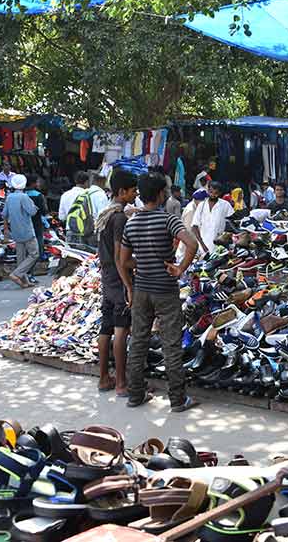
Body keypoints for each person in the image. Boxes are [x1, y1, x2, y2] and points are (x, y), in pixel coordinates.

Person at [118, 173, 199, 410]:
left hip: (142, 289)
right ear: (161, 194)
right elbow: (192, 244)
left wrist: (143, 262)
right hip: (165, 289)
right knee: (171, 343)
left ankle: (135, 395)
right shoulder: (167, 220)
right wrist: (179, 268)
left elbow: (124, 261)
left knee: (139, 341)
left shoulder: (131, 223)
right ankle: (177, 399)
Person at [95, 168, 138, 396]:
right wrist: (129, 286)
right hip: (119, 279)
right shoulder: (119, 218)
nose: (135, 195)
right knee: (121, 329)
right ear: (122, 191)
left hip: (107, 278)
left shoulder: (107, 214)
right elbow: (121, 257)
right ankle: (122, 383)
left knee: (106, 327)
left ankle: (104, 378)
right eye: (132, 191)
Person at [2, 173, 39, 289]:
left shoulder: (9, 197)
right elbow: (32, 212)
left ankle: (25, 281)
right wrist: (34, 206)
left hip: (16, 231)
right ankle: (16, 274)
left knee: (21, 257)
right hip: (27, 230)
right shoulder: (24, 197)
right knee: (34, 254)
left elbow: (4, 214)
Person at [192, 182, 234, 254]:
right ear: (208, 190)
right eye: (211, 192)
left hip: (219, 247)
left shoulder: (225, 205)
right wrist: (202, 244)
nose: (213, 195)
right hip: (202, 247)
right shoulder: (201, 205)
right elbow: (194, 226)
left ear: (220, 193)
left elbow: (232, 223)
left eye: (216, 193)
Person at [27, 177, 49, 266]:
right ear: (33, 183)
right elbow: (44, 211)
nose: (38, 184)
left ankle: (29, 257)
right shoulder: (38, 195)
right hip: (36, 221)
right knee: (39, 238)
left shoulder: (23, 194)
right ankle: (39, 256)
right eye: (37, 182)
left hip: (26, 221)